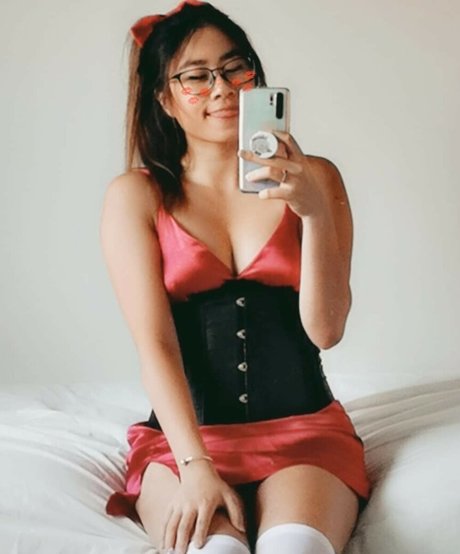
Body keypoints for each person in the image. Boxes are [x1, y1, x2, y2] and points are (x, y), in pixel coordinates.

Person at [100, 1, 371, 553]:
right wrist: (194, 465)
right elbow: (156, 345)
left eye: (234, 67)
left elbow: (326, 331)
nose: (222, 88)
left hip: (305, 434)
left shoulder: (316, 178)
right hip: (182, 442)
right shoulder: (137, 196)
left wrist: (313, 213)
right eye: (196, 76)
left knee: (296, 549)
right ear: (165, 99)